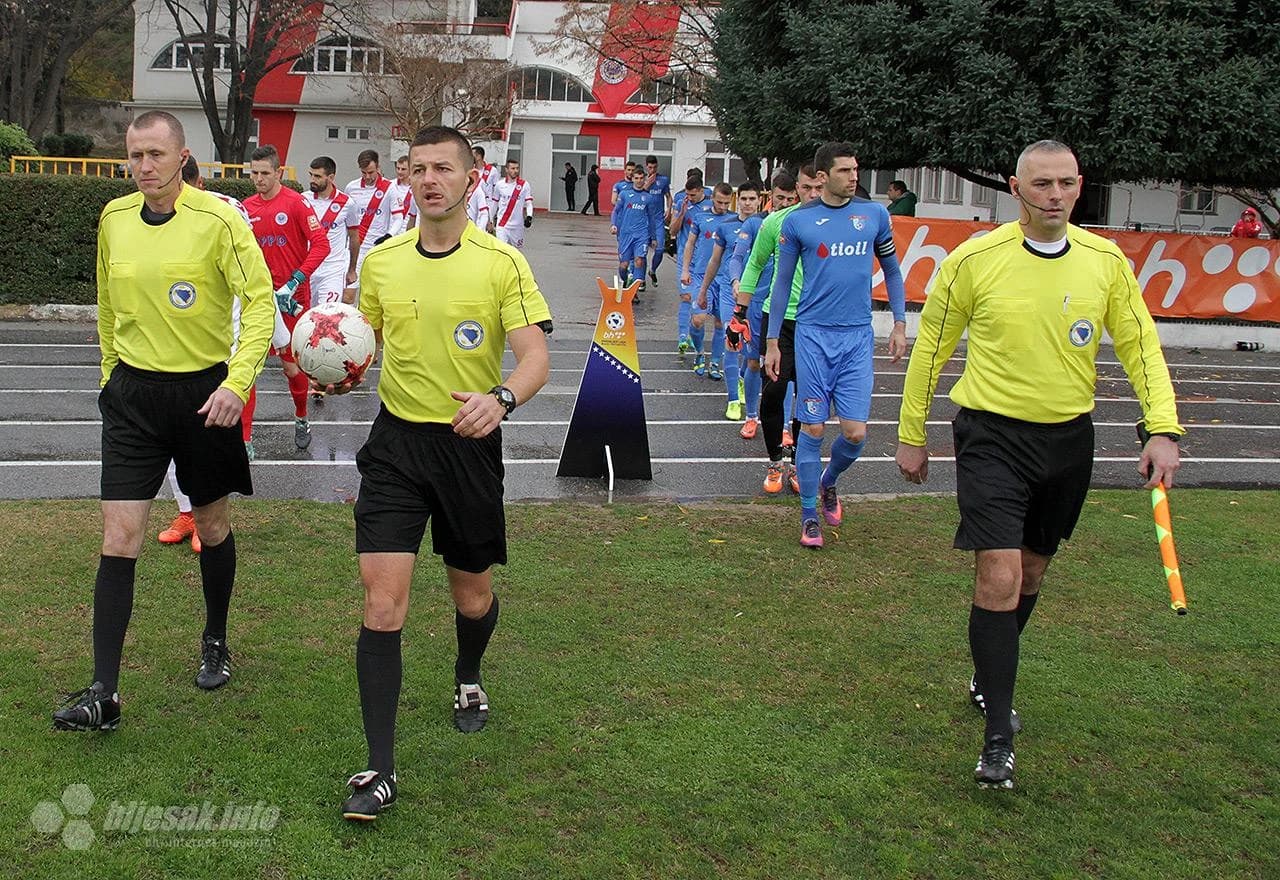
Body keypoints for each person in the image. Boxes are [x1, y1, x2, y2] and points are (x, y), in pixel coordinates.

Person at [895, 139, 1183, 791]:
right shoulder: (976, 259)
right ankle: (998, 735)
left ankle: (985, 674)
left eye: (1066, 183)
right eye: (1042, 184)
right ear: (1015, 188)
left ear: (1079, 186)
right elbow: (930, 350)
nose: (1055, 195)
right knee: (997, 573)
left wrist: (1162, 427)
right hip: (992, 436)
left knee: (1029, 573)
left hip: (1066, 443)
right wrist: (911, 433)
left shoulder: (1105, 262)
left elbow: (1141, 346)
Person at [330, 125, 552, 822]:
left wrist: (503, 398)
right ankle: (379, 769)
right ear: (407, 177)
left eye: (443, 169)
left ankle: (467, 674)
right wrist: (336, 369)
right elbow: (357, 343)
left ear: (471, 177)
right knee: (381, 605)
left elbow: (534, 355)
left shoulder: (501, 263)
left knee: (473, 596)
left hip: (467, 446)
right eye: (418, 169)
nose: (430, 180)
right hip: (396, 446)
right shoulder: (386, 260)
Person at [52, 110, 275, 732]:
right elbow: (106, 302)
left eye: (155, 154)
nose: (143, 166)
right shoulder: (114, 218)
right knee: (119, 537)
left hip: (206, 395)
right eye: (135, 155)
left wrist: (236, 382)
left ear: (182, 157)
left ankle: (214, 639)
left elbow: (259, 304)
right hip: (132, 396)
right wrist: (107, 376)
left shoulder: (221, 218)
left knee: (211, 522)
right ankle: (104, 690)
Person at [767, 143, 906, 549]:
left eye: (856, 169)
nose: (854, 177)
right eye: (845, 170)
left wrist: (898, 324)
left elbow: (893, 273)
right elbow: (780, 286)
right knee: (811, 426)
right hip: (811, 336)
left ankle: (829, 483)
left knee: (855, 433)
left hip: (857, 338)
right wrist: (773, 342)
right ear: (823, 176)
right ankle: (809, 514)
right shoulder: (798, 223)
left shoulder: (875, 215)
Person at [738, 165, 824, 492]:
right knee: (773, 392)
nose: (812, 195)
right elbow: (755, 264)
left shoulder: (835, 225)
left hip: (817, 324)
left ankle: (799, 464)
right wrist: (739, 313)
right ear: (798, 189)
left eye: (818, 188)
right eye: (806, 189)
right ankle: (775, 461)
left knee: (809, 397)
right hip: (778, 322)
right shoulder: (775, 222)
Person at [243, 144, 331, 451]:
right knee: (247, 368)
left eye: (265, 173)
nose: (259, 179)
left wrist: (296, 279)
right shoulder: (246, 208)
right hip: (258, 301)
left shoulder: (296, 204)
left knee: (292, 369)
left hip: (291, 300)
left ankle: (301, 416)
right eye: (253, 173)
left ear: (278, 172)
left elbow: (321, 245)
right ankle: (245, 440)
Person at [729, 170, 799, 440]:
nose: (785, 203)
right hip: (758, 304)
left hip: (784, 308)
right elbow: (739, 258)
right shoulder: (758, 223)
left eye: (790, 198)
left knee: (784, 370)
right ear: (771, 196)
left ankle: (783, 427)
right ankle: (750, 417)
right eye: (780, 197)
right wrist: (737, 282)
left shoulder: (801, 224)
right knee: (754, 363)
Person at [697, 182, 761, 421]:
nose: (747, 203)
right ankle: (733, 399)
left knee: (752, 349)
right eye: (743, 198)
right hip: (728, 290)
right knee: (731, 339)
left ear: (758, 201)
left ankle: (743, 379)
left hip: (756, 295)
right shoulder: (727, 227)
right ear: (738, 200)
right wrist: (703, 291)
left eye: (752, 199)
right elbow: (714, 261)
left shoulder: (767, 226)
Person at [681, 182, 733, 378]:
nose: (723, 207)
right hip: (700, 275)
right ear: (713, 198)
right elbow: (690, 244)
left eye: (727, 203)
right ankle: (699, 352)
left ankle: (715, 362)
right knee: (698, 319)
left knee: (720, 323)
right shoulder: (701, 217)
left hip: (724, 278)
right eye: (719, 202)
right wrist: (685, 270)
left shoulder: (733, 220)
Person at [303, 156, 361, 307]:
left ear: (331, 177)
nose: (312, 179)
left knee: (327, 316)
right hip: (308, 269)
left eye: (317, 176)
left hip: (333, 271)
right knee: (306, 318)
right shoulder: (303, 200)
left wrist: (352, 270)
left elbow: (354, 238)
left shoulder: (347, 203)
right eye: (311, 175)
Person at [344, 150, 396, 299]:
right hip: (355, 249)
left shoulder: (390, 188)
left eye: (371, 172)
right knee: (348, 295)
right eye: (363, 172)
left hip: (378, 248)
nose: (367, 177)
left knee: (376, 296)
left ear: (378, 167)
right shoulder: (351, 188)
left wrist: (388, 235)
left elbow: (398, 218)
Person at [669, 174, 709, 353]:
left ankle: (694, 333)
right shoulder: (682, 204)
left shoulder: (710, 206)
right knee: (685, 296)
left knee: (698, 299)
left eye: (693, 195)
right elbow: (672, 230)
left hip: (704, 261)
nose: (689, 198)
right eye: (688, 194)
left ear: (701, 191)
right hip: (685, 259)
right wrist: (682, 212)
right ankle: (682, 337)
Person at [610, 165, 662, 293]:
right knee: (624, 266)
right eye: (636, 178)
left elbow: (651, 219)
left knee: (639, 261)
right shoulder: (625, 195)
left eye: (641, 178)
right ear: (632, 179)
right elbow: (615, 211)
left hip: (641, 235)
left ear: (645, 179)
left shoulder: (648, 198)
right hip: (626, 234)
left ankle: (633, 292)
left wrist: (653, 238)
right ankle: (626, 284)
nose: (639, 180)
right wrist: (613, 224)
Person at [492, 158, 534, 249]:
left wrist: (529, 216)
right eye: (513, 168)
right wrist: (490, 219)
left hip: (517, 226)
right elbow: (494, 203)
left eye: (517, 168)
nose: (515, 171)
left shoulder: (524, 185)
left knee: (516, 253)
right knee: (502, 250)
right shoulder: (499, 185)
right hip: (502, 224)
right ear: (506, 170)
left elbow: (529, 203)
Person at [644, 155, 672, 284]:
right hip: (644, 220)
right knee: (641, 251)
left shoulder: (663, 180)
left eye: (654, 167)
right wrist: (646, 185)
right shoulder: (641, 180)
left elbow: (668, 196)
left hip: (658, 219)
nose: (652, 170)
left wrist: (669, 209)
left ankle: (653, 270)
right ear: (646, 167)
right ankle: (640, 279)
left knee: (660, 249)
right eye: (650, 167)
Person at [387, 155, 419, 237]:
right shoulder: (390, 185)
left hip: (408, 233)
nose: (399, 172)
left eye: (403, 169)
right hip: (391, 234)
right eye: (398, 168)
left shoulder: (417, 188)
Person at [472, 146, 499, 232]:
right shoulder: (470, 171)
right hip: (474, 206)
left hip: (488, 205)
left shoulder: (492, 171)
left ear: (479, 156)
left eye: (472, 154)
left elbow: (496, 192)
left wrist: (491, 217)